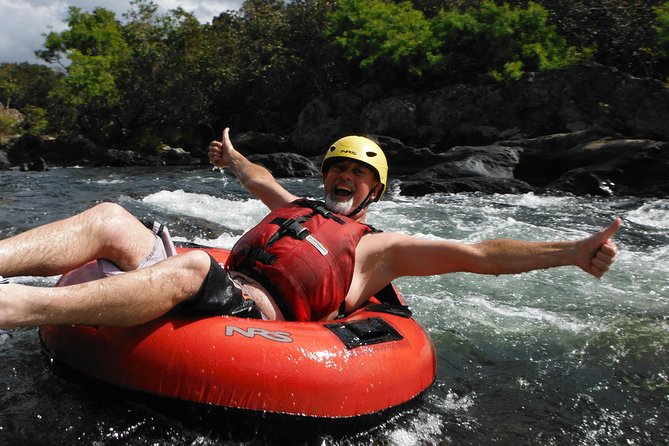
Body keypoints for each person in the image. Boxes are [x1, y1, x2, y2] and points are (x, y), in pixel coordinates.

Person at [0, 128, 621, 329]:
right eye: (337, 170)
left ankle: (14, 308)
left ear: (373, 191)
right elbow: (257, 180)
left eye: (357, 174)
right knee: (112, 217)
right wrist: (233, 157)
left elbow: (483, 252)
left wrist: (570, 251)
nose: (343, 178)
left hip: (250, 313)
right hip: (210, 281)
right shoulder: (296, 206)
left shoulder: (384, 248)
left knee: (193, 266)